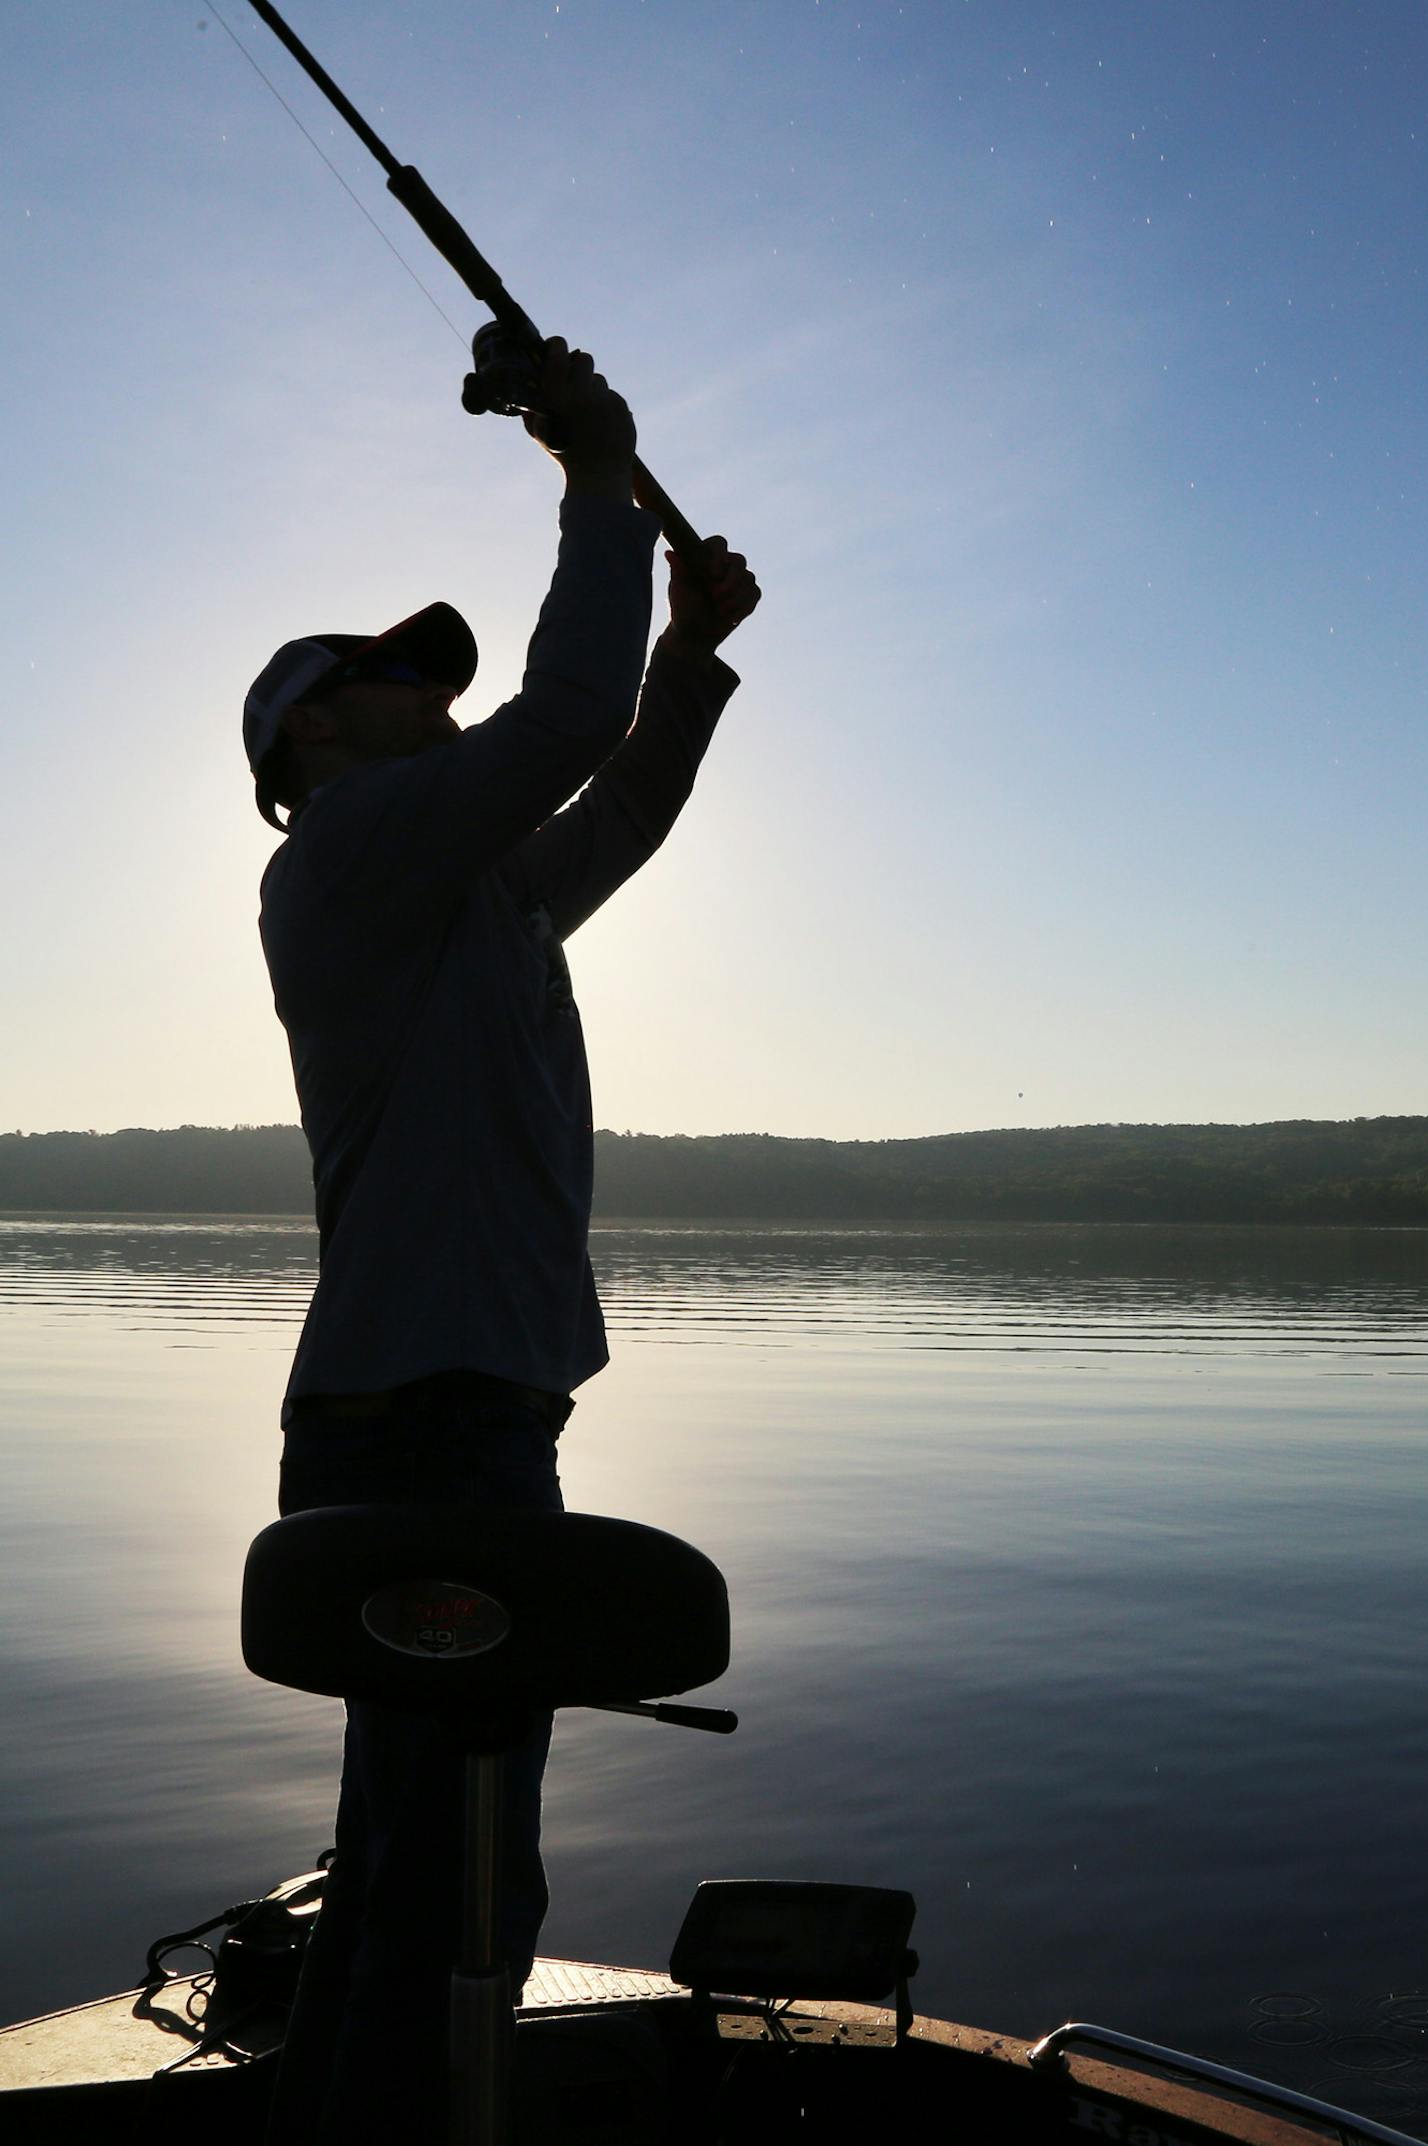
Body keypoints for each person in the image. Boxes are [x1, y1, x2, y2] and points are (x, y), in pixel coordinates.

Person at [242, 339, 759, 2143]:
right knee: (459, 1871)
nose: (425, 695)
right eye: (388, 680)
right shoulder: (346, 861)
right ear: (308, 738)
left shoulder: (467, 890)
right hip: (421, 1415)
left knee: (429, 1857)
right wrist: (595, 478)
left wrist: (686, 658)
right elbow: (557, 728)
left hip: (470, 1405)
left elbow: (609, 799)